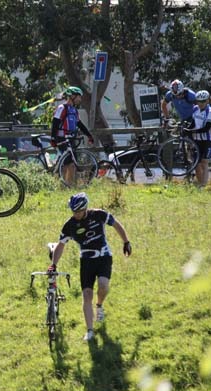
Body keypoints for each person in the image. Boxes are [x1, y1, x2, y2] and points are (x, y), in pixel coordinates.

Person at [48, 192, 131, 341]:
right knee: (87, 294)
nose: (76, 215)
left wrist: (126, 242)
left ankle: (99, 306)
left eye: (78, 211)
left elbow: (116, 224)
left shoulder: (98, 214)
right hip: (86, 261)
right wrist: (53, 264)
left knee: (103, 286)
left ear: (85, 208)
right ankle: (90, 330)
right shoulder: (69, 225)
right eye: (73, 212)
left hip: (104, 256)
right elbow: (60, 245)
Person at [50, 86, 95, 186]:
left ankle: (65, 184)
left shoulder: (74, 110)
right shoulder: (62, 108)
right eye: (79, 97)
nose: (80, 99)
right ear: (72, 96)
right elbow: (55, 123)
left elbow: (80, 124)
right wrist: (53, 138)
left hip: (71, 138)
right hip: (62, 138)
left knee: (70, 164)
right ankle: (65, 185)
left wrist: (89, 135)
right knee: (68, 164)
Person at [184, 90, 211, 187]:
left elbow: (207, 127)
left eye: (203, 101)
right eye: (198, 101)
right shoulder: (195, 109)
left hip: (207, 140)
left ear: (207, 101)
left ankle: (203, 184)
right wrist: (187, 129)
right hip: (196, 140)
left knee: (204, 162)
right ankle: (200, 184)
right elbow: (193, 123)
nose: (200, 103)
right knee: (196, 163)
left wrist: (192, 131)